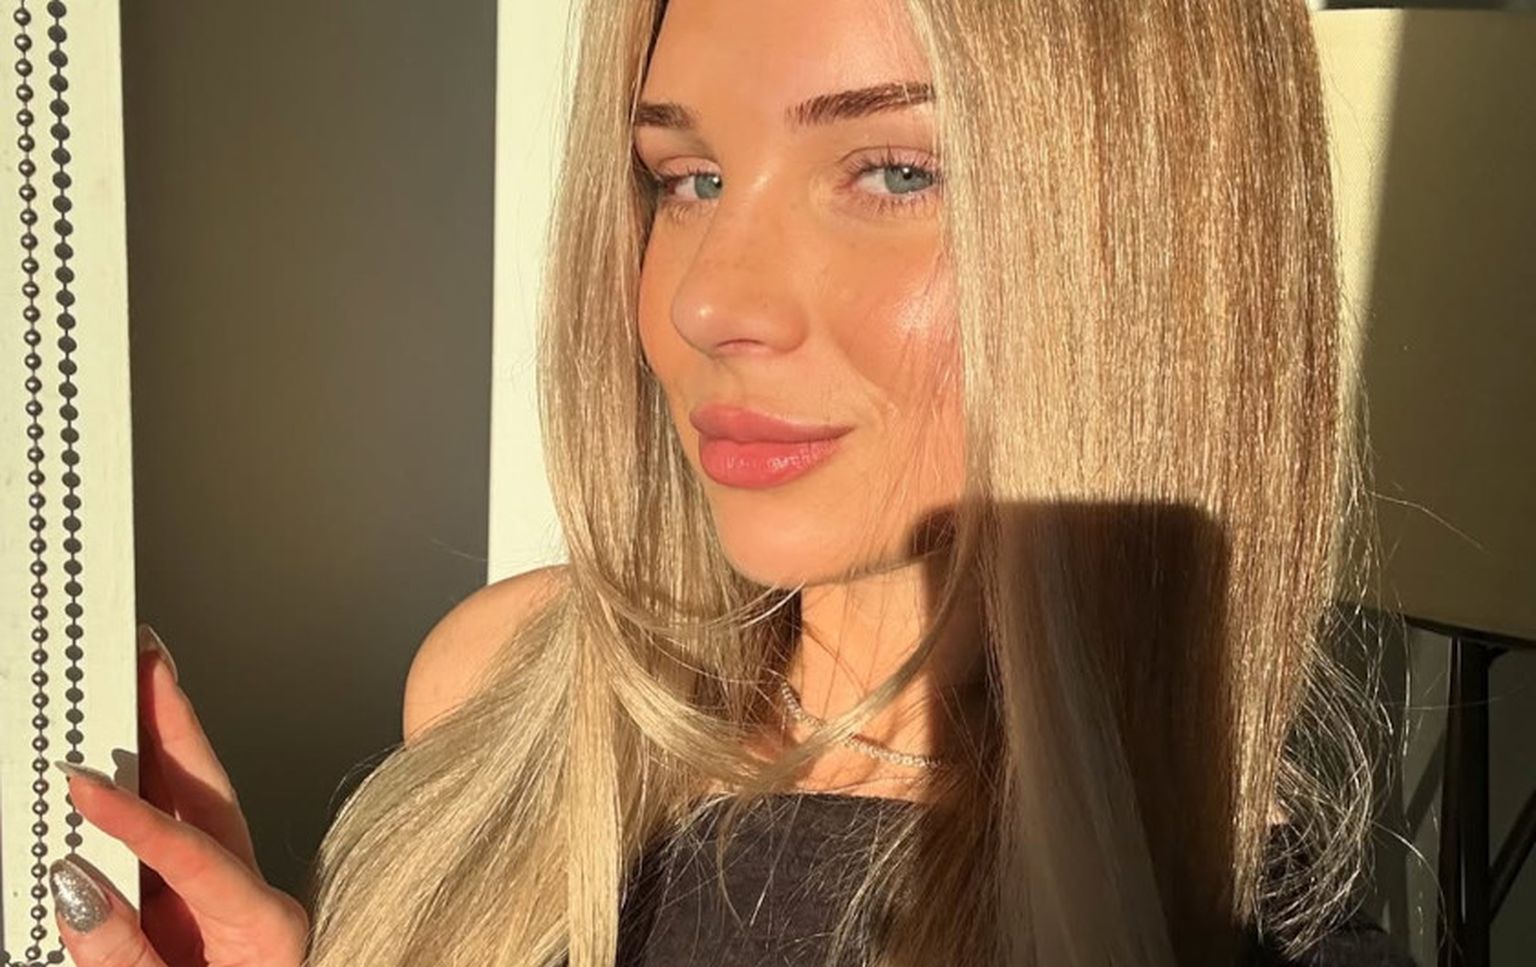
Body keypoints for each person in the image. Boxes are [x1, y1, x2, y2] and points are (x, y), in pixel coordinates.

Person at [44, 0, 1420, 964]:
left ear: (1156, 246)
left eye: (893, 172)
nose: (707, 301)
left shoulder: (1229, 927)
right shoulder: (513, 689)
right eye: (687, 178)